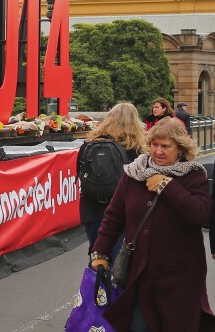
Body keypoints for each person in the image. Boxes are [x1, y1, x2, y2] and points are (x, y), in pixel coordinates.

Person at [91, 118, 215, 332]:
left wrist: (168, 186)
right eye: (154, 145)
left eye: (165, 146)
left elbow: (200, 214)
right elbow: (114, 216)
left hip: (181, 278)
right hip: (140, 276)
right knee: (138, 326)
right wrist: (100, 252)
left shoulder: (193, 176)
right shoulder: (134, 173)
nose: (158, 151)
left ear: (180, 148)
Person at [77, 103, 145, 253]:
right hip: (123, 212)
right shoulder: (136, 148)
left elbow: (80, 174)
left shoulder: (88, 145)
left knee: (97, 255)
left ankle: (95, 277)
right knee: (118, 262)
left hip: (92, 209)